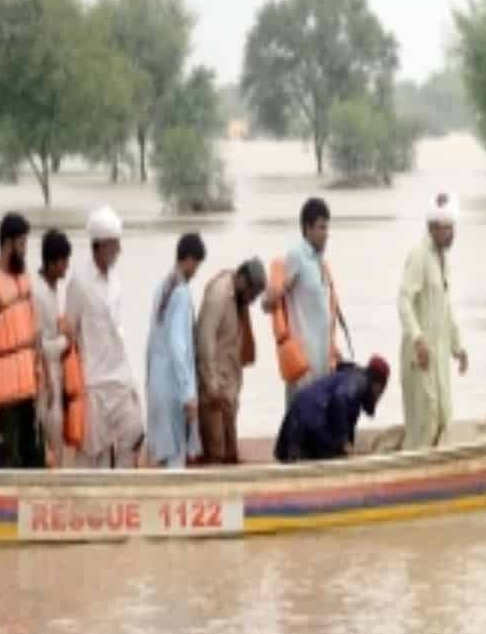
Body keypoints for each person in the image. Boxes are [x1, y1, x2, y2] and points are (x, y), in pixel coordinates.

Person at [64, 206, 144, 468]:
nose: (119, 251)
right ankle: (87, 501)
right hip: (94, 383)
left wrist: (131, 380)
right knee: (91, 452)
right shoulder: (79, 283)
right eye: (114, 245)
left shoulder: (116, 279)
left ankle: (121, 492)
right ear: (98, 246)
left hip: (120, 379)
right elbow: (70, 332)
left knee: (133, 434)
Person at [398, 192, 468, 449]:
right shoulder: (419, 256)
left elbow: (445, 309)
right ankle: (410, 479)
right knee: (424, 422)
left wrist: (458, 348)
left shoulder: (442, 260)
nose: (451, 234)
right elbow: (403, 300)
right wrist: (417, 340)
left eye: (452, 228)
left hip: (439, 357)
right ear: (431, 228)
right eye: (446, 229)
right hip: (421, 357)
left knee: (443, 418)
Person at [0, 212, 43, 468]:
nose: (25, 250)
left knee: (35, 461)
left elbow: (33, 337)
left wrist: (40, 382)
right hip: (4, 401)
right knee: (11, 463)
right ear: (8, 244)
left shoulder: (24, 280)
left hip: (29, 391)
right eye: (22, 244)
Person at [263, 197, 342, 405]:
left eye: (327, 228)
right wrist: (278, 291)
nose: (326, 234)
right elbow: (267, 302)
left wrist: (334, 349)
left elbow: (323, 311)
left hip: (322, 362)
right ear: (306, 228)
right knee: (299, 425)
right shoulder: (296, 256)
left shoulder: (320, 262)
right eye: (321, 228)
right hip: (303, 363)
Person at [195, 258, 267, 464]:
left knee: (230, 453)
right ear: (243, 280)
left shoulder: (238, 299)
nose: (252, 301)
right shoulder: (219, 295)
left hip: (229, 388)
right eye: (252, 294)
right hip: (213, 389)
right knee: (216, 452)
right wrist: (211, 385)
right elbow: (204, 340)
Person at [145, 233, 207, 468]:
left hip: (157, 384)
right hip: (173, 388)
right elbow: (178, 345)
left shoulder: (163, 287)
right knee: (176, 456)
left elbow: (153, 340)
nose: (196, 272)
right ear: (189, 260)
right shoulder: (180, 293)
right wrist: (188, 394)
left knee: (163, 452)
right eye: (197, 265)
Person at [274, 356, 391, 462]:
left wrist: (347, 446)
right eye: (381, 392)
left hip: (299, 417)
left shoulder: (349, 378)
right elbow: (341, 398)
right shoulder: (359, 381)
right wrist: (344, 442)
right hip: (311, 422)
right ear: (378, 386)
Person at [33, 229, 73, 467]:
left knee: (58, 439)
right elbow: (39, 347)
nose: (66, 269)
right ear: (52, 262)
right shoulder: (37, 293)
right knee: (51, 438)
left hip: (56, 376)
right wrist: (67, 341)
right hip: (44, 380)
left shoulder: (51, 289)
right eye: (64, 263)